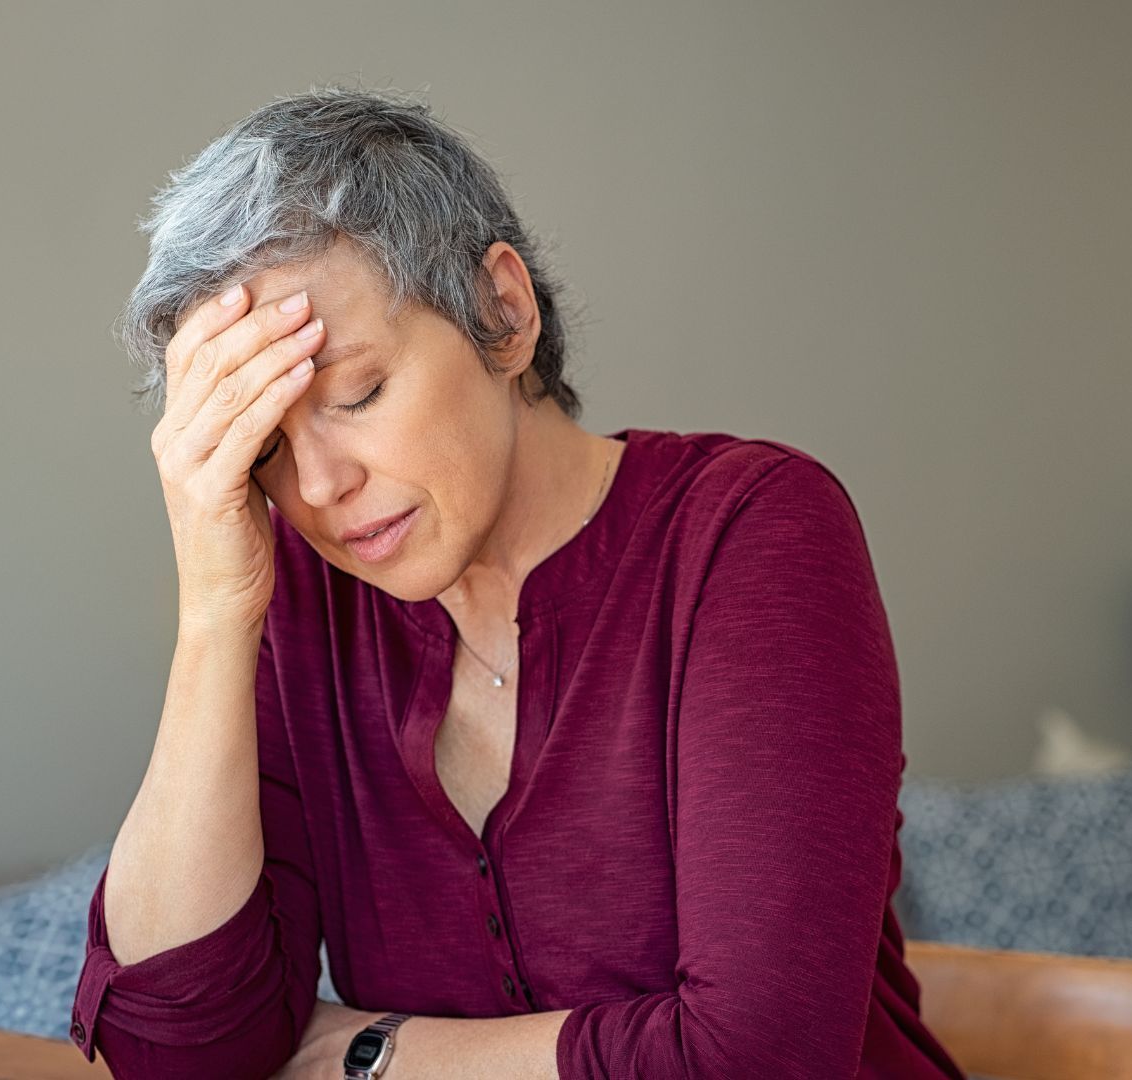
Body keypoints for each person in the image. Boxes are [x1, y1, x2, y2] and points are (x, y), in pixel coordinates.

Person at [69, 84, 967, 1080]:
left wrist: (362, 1056)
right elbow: (175, 1055)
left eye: (358, 393)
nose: (319, 487)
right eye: (266, 448)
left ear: (503, 311)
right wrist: (214, 614)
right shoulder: (303, 604)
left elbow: (757, 1058)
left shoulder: (750, 532)